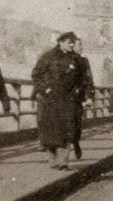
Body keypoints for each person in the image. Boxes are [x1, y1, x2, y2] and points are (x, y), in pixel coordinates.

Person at [31, 31, 82, 169]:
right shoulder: (48, 57)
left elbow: (82, 78)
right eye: (69, 42)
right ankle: (53, 158)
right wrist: (45, 89)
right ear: (60, 42)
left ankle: (63, 160)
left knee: (67, 129)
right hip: (50, 99)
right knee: (51, 130)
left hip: (67, 99)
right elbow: (36, 75)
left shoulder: (76, 59)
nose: (72, 45)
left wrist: (80, 90)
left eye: (73, 42)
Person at [72, 38, 94, 160]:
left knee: (77, 123)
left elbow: (89, 79)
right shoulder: (63, 59)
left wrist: (89, 96)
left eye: (81, 45)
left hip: (77, 97)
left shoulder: (84, 61)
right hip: (64, 98)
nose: (81, 47)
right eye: (79, 45)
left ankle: (75, 143)